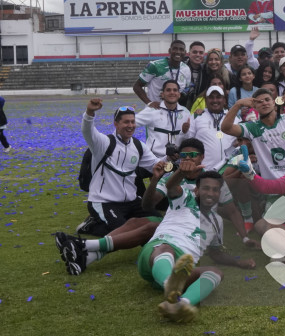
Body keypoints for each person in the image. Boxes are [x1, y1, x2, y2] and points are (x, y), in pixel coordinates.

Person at [137, 170, 256, 323]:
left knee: (215, 273)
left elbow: (216, 254)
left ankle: (181, 304)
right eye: (206, 188)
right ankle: (169, 283)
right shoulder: (184, 198)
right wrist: (180, 172)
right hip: (156, 254)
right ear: (197, 190)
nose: (210, 193)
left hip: (182, 269)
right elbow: (171, 186)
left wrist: (238, 262)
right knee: (166, 249)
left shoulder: (216, 222)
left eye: (215, 190)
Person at [77, 99, 159, 237]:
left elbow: (156, 164)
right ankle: (91, 226)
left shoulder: (138, 146)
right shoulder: (103, 143)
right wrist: (90, 112)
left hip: (132, 201)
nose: (130, 125)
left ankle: (106, 222)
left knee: (158, 222)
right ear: (116, 124)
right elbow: (87, 131)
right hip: (105, 202)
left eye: (133, 122)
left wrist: (171, 161)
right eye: (126, 122)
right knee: (126, 232)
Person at [221, 88, 285, 180]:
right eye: (259, 102)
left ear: (273, 103)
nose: (264, 103)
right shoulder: (251, 127)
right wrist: (238, 104)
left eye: (267, 100)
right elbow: (226, 128)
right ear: (254, 107)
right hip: (273, 187)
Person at [185, 86, 238, 171]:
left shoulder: (234, 118)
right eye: (211, 97)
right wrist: (184, 132)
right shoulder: (196, 117)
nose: (215, 100)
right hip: (204, 171)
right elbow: (188, 142)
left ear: (224, 100)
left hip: (229, 171)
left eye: (218, 97)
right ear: (206, 100)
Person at [135, 80, 191, 159]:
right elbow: (131, 123)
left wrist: (185, 132)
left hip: (176, 158)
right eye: (168, 90)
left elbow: (190, 137)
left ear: (179, 94)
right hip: (154, 159)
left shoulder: (186, 113)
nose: (172, 92)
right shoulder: (153, 110)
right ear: (162, 94)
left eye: (175, 90)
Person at [133, 39, 192, 105]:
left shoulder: (186, 69)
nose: (178, 52)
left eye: (181, 49)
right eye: (175, 49)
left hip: (174, 111)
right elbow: (137, 86)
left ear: (185, 52)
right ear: (169, 51)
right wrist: (149, 103)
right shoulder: (155, 65)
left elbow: (187, 88)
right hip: (156, 110)